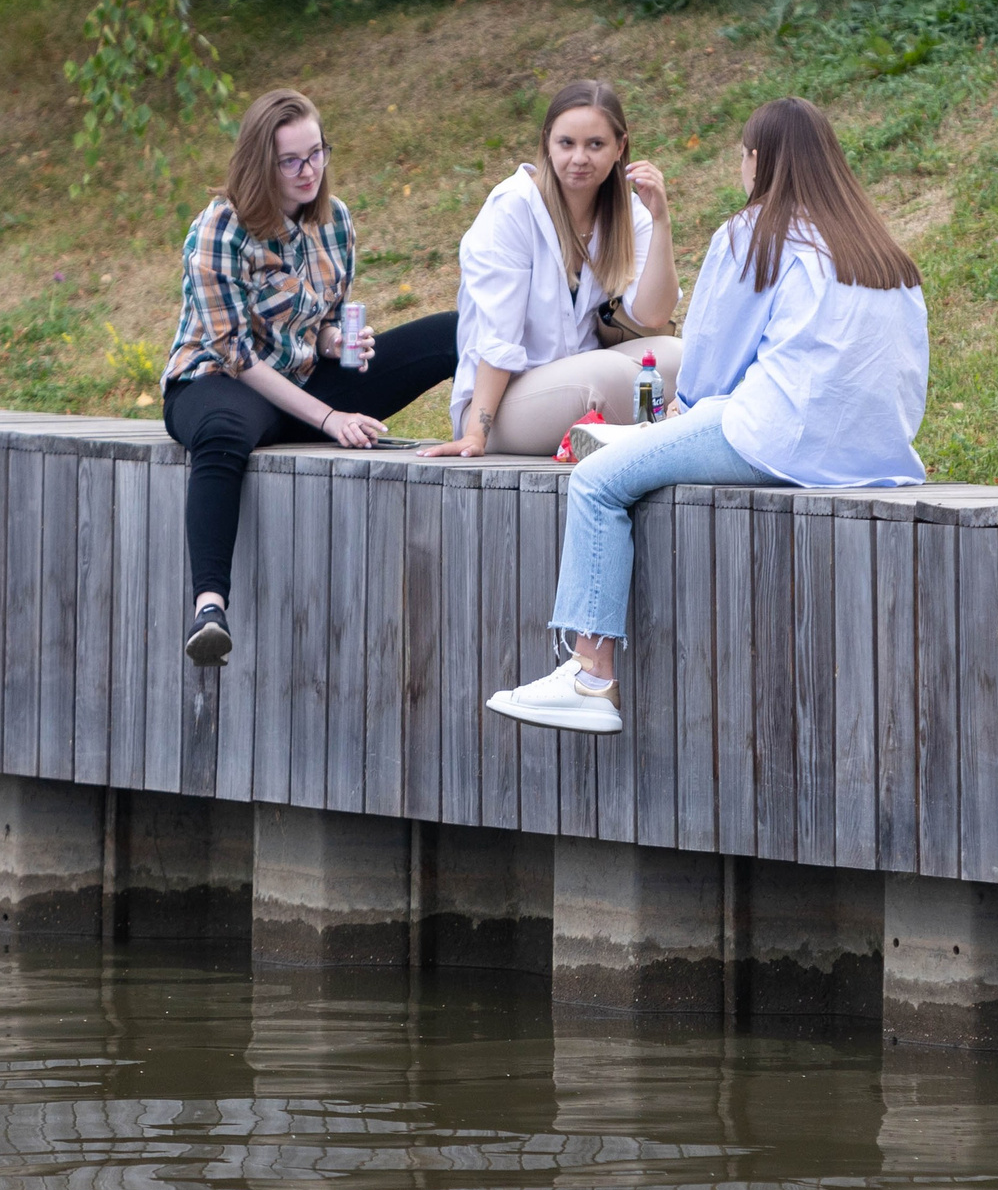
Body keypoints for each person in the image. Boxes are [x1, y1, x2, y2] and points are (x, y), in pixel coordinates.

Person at [484, 96, 929, 737]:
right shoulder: (884, 251)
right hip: (879, 454)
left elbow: (708, 370)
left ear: (755, 161)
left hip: (774, 439)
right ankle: (586, 675)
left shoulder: (756, 234)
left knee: (598, 479)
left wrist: (671, 421)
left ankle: (589, 675)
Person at [161, 89, 458, 667]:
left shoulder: (336, 221)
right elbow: (237, 357)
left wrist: (334, 341)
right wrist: (329, 417)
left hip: (298, 383)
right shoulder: (219, 230)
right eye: (291, 161)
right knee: (224, 429)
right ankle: (210, 608)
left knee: (450, 333)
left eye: (316, 153)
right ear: (259, 164)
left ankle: (486, 432)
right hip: (216, 383)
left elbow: (318, 323)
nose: (309, 171)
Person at [420, 80, 682, 461]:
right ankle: (651, 432)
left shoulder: (626, 211)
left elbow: (654, 314)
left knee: (680, 357)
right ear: (546, 142)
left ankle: (628, 435)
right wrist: (476, 433)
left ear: (620, 147)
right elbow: (498, 338)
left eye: (595, 144)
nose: (580, 158)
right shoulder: (513, 208)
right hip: (506, 402)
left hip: (577, 375)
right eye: (566, 143)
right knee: (602, 379)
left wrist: (661, 222)